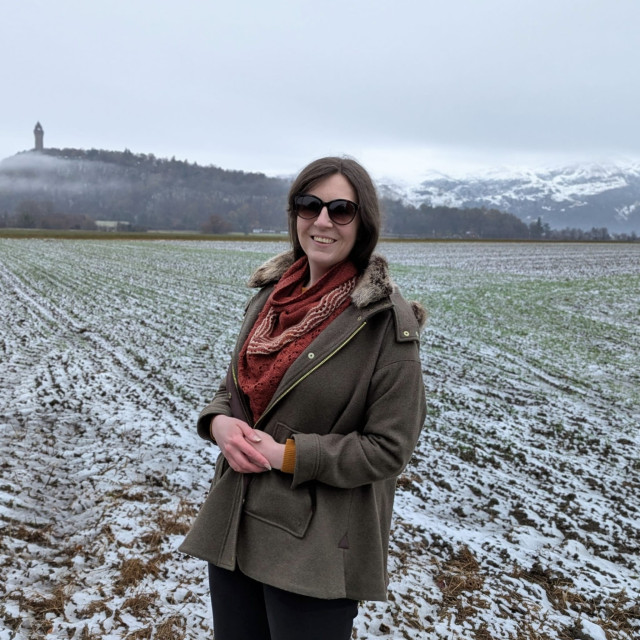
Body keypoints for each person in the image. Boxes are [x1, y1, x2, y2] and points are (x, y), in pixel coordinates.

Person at [179, 156, 427, 640]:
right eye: (309, 205)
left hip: (312, 552)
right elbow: (236, 387)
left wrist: (287, 455)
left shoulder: (382, 323)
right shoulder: (271, 298)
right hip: (235, 528)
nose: (322, 221)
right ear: (294, 215)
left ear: (364, 222)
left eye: (341, 209)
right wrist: (218, 423)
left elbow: (389, 447)